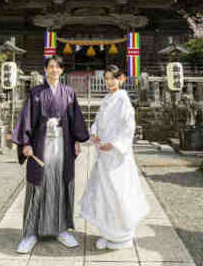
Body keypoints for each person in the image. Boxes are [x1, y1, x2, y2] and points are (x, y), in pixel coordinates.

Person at [11, 54, 90, 253]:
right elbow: (27, 118)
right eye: (50, 67)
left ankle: (61, 229)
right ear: (46, 69)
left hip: (62, 145)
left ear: (62, 70)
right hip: (40, 144)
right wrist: (25, 143)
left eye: (57, 67)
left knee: (61, 184)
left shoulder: (69, 93)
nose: (54, 70)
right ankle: (30, 233)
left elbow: (75, 119)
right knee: (38, 185)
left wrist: (77, 140)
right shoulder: (36, 92)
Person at [79, 64, 149, 250]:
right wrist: (93, 133)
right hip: (104, 151)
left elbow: (128, 127)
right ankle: (109, 232)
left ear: (121, 79)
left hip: (117, 155)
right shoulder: (107, 98)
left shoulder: (123, 100)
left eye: (113, 78)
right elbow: (97, 120)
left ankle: (122, 235)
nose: (110, 82)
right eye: (107, 78)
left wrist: (116, 144)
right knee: (104, 192)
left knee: (118, 191)